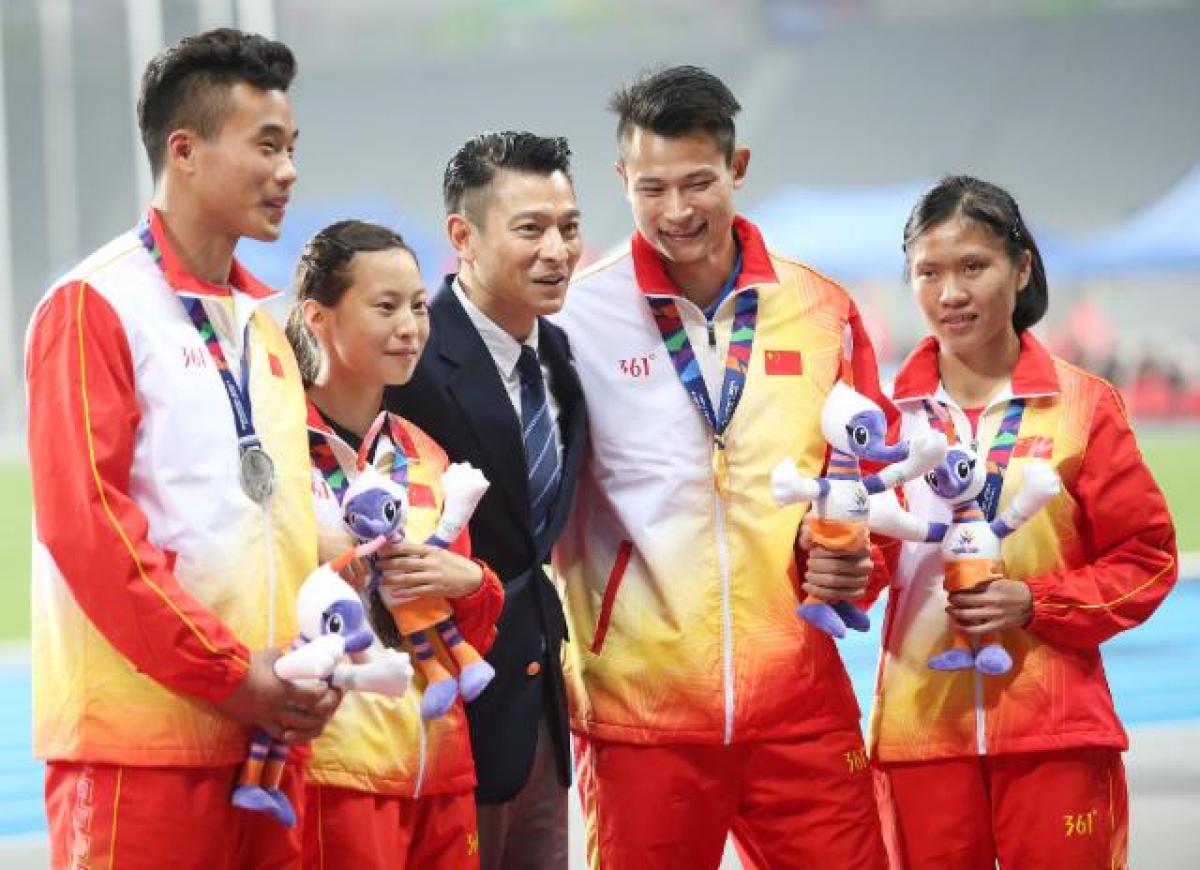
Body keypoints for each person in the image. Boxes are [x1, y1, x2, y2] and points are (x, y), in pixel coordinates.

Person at [553, 65, 890, 869]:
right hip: (643, 715)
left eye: (698, 182)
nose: (677, 212)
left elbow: (876, 483)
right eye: (652, 187)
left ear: (737, 170)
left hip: (800, 706)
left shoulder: (821, 312)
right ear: (622, 181)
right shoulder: (573, 317)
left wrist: (860, 563)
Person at [24, 28, 341, 868]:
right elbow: (89, 526)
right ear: (185, 150)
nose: (288, 171)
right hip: (142, 754)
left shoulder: (265, 333)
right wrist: (236, 677)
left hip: (268, 749)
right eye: (266, 145)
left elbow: (284, 522)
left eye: (293, 147)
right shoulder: (96, 305)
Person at [870, 175, 1178, 868]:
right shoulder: (884, 417)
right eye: (929, 272)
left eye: (973, 266)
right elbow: (856, 571)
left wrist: (1037, 600)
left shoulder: (1083, 406)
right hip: (922, 737)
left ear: (1022, 267)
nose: (950, 293)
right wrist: (831, 564)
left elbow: (1148, 557)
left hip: (1055, 733)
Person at [386, 131, 586, 870]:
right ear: (462, 237)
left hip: (536, 713)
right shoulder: (405, 360)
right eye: (530, 229)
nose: (557, 250)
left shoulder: (560, 359)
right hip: (433, 712)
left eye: (568, 227)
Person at [284, 219, 505, 868]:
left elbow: (463, 632)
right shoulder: (272, 450)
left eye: (417, 305)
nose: (411, 326)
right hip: (332, 771)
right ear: (318, 317)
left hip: (440, 772)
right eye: (386, 307)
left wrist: (473, 583)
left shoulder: (426, 455)